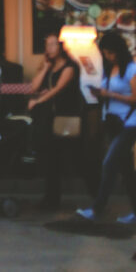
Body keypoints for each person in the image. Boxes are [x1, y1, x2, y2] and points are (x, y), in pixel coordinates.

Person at [77, 32, 136, 222]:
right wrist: (98, 94)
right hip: (113, 122)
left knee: (109, 163)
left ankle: (97, 209)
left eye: (111, 52)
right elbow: (105, 93)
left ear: (118, 50)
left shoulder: (130, 69)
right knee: (126, 170)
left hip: (130, 122)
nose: (108, 56)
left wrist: (110, 94)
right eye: (105, 53)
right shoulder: (109, 68)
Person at [28, 30, 82, 210]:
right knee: (50, 158)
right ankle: (50, 198)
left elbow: (59, 88)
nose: (48, 48)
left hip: (64, 115)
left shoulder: (70, 66)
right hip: (48, 118)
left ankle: (54, 198)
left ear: (60, 46)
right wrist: (44, 68)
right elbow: (34, 86)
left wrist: (39, 100)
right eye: (46, 45)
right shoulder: (49, 67)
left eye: (52, 45)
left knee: (59, 158)